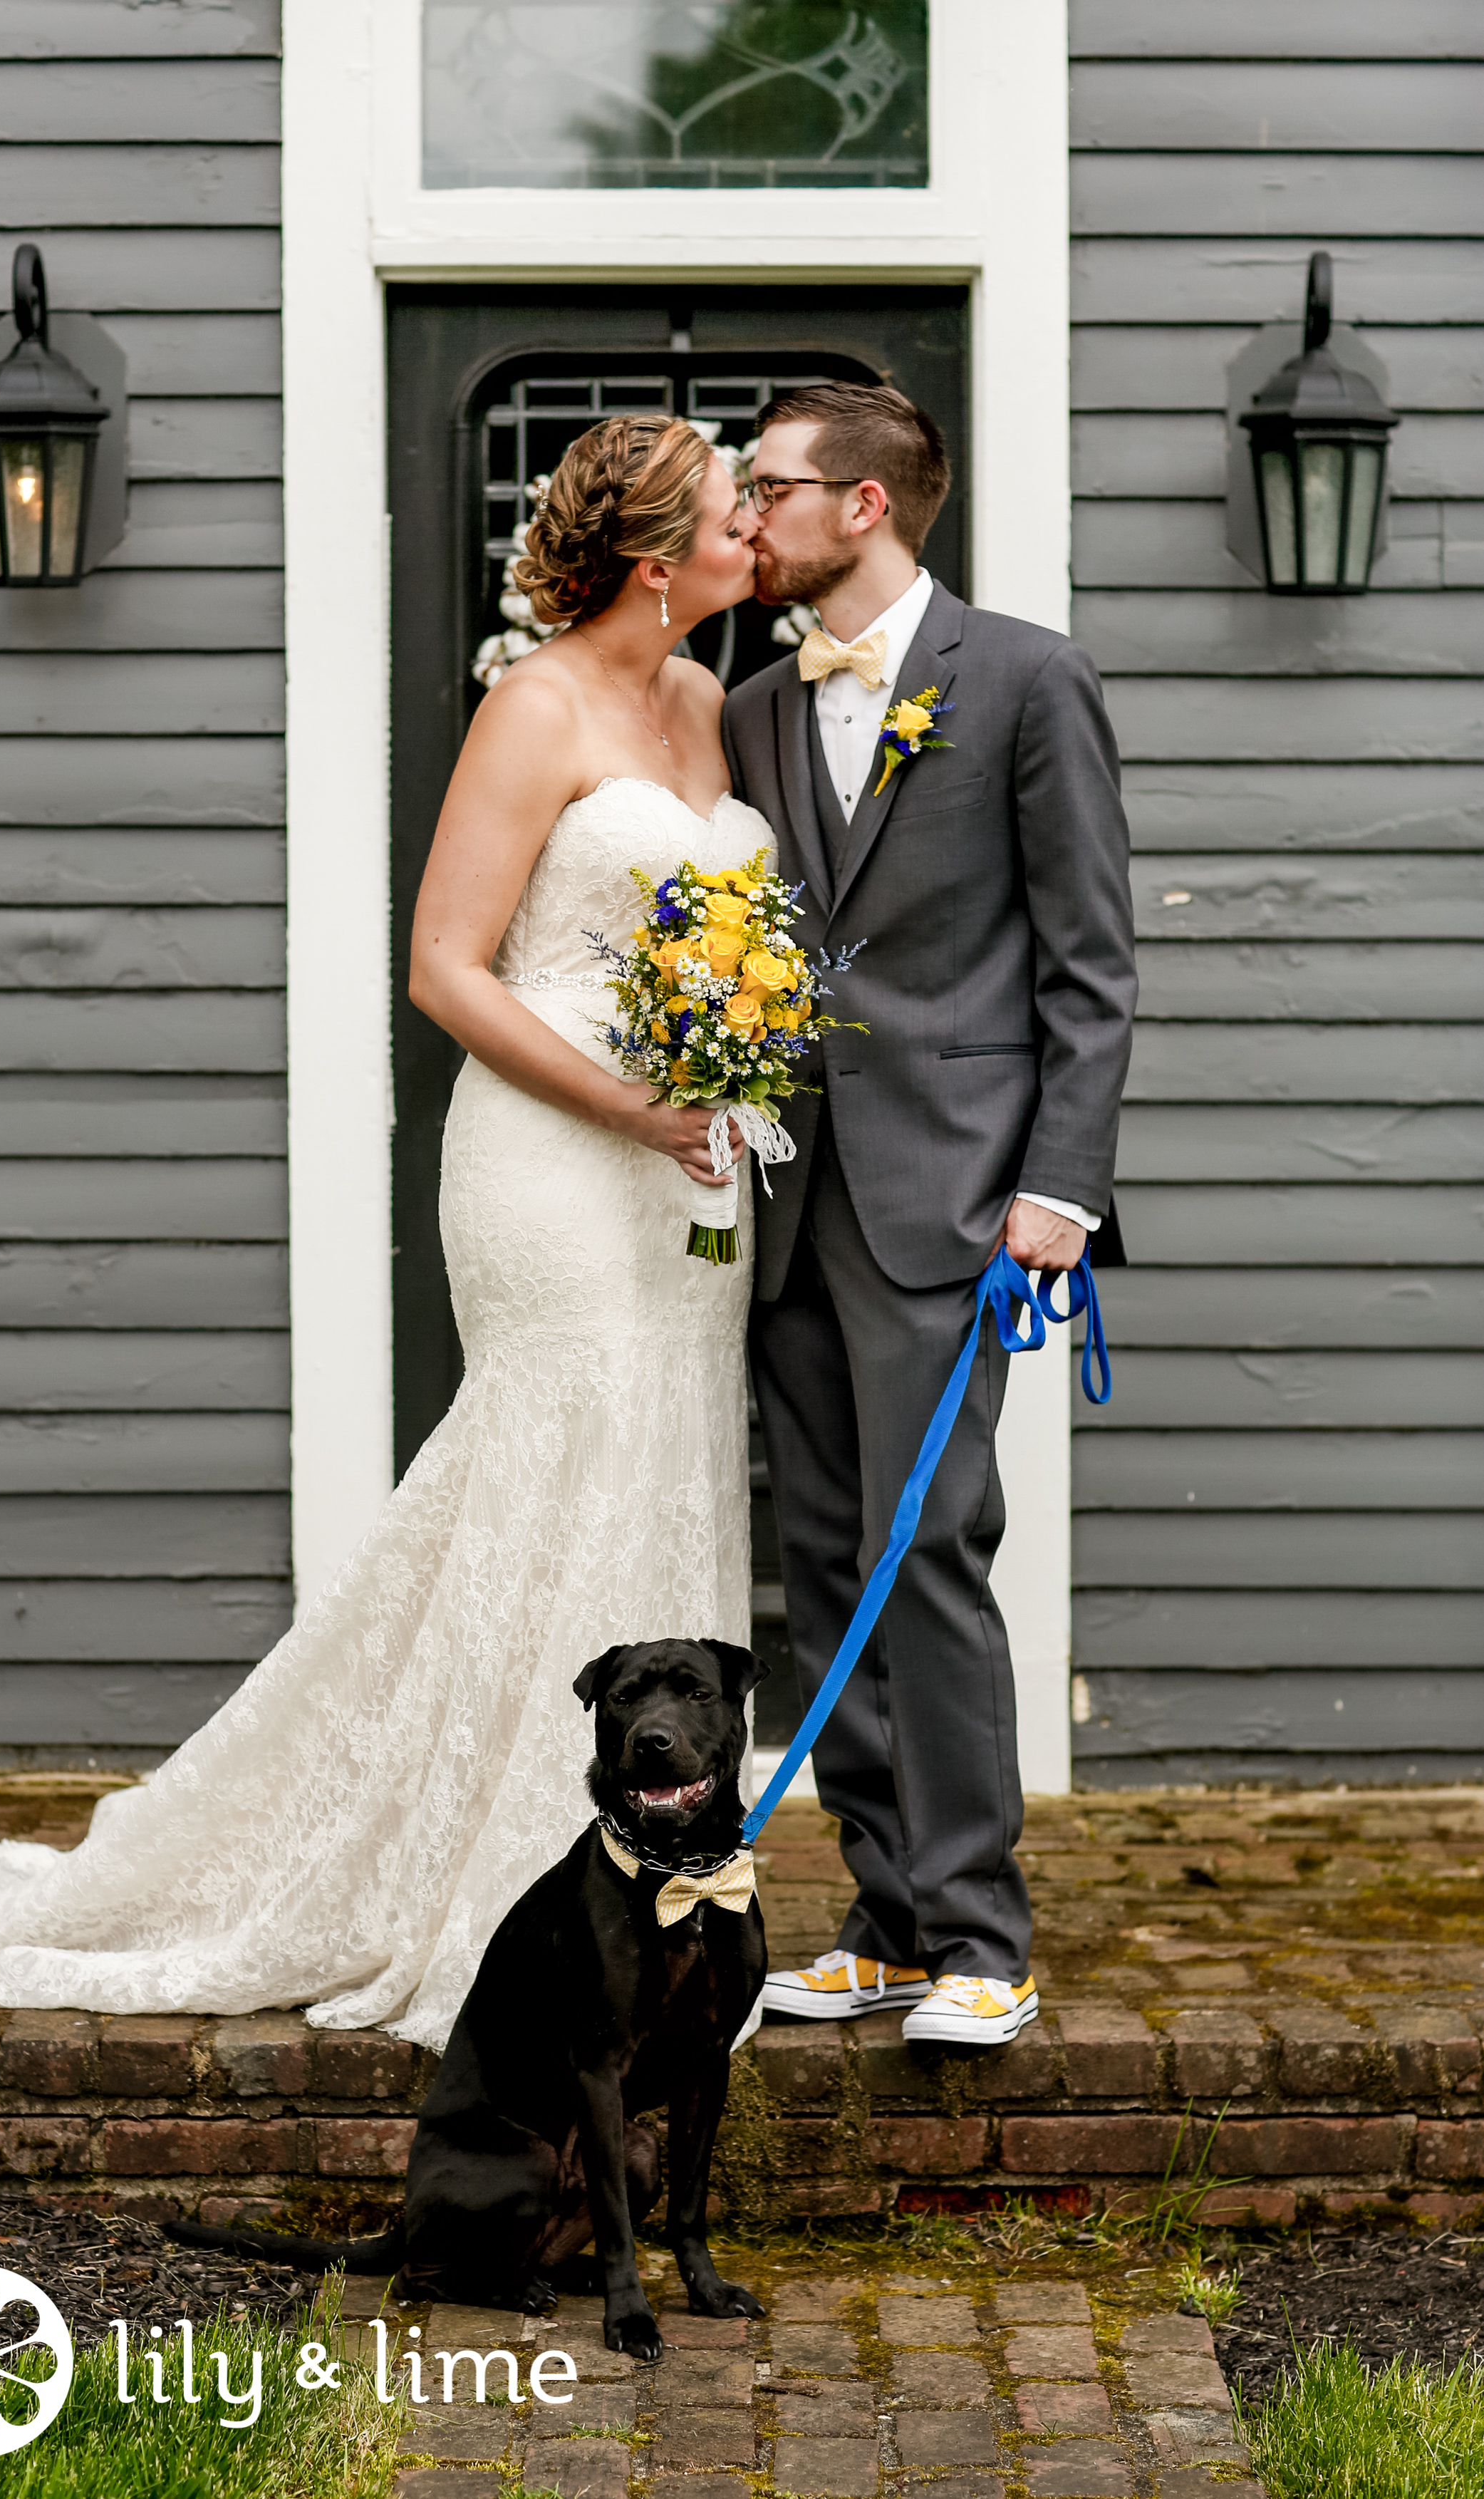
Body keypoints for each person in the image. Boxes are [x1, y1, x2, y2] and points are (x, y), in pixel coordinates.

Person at [0, 415, 770, 2055]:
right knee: (549, 1464)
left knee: (661, 1470)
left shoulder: (700, 702)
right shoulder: (533, 703)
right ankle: (485, 1892)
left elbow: (715, 936)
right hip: (556, 1155)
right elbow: (448, 968)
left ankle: (661, 1886)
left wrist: (720, 1073)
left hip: (694, 1171)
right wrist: (628, 1105)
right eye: (738, 502)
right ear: (654, 553)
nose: (764, 519)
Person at [723, 383, 1136, 2047]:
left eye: (766, 487)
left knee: (932, 1552)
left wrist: (1059, 1184)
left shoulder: (1027, 678)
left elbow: (1089, 961)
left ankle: (981, 1937)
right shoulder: (753, 706)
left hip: (956, 1201)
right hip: (789, 1200)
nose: (744, 515)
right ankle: (887, 1920)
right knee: (824, 1560)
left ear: (865, 506)